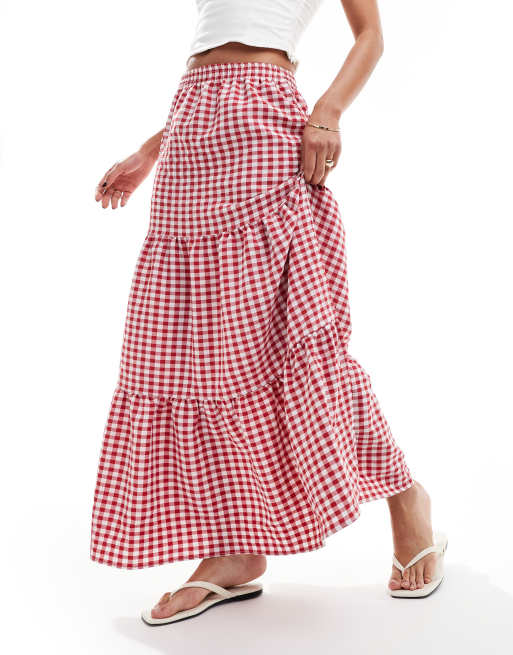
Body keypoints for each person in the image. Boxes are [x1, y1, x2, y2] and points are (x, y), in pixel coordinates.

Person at [91, 0, 448, 624]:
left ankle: (405, 498)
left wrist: (327, 112)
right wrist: (151, 149)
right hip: (189, 131)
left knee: (296, 343)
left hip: (264, 124)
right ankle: (235, 549)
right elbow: (214, 51)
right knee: (194, 359)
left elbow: (370, 34)